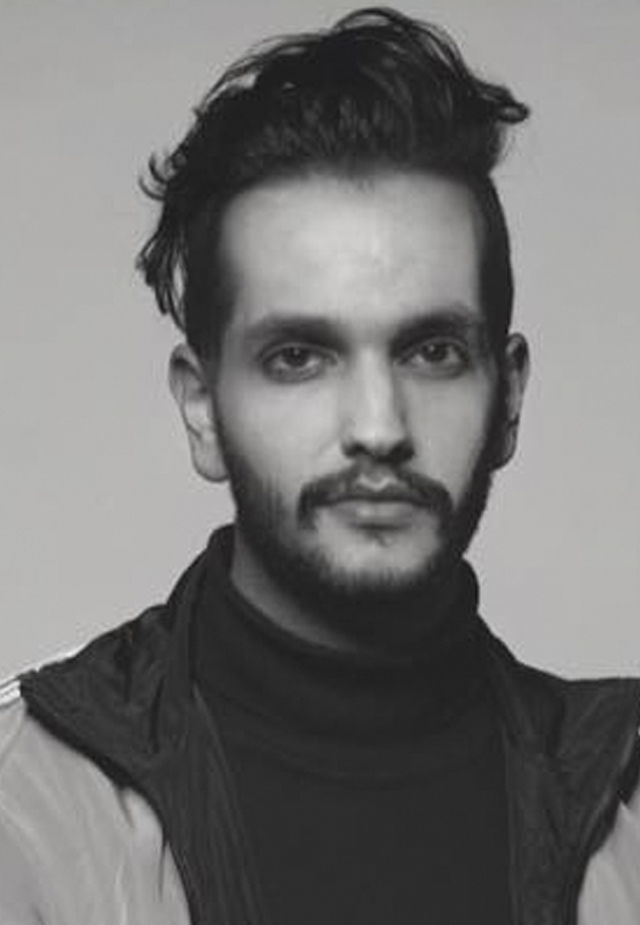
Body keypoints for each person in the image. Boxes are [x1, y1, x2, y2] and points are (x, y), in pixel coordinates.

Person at [0, 7, 638, 924]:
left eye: (433, 351)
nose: (378, 427)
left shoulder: (626, 800)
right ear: (201, 406)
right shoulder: (23, 808)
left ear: (509, 396)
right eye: (299, 357)